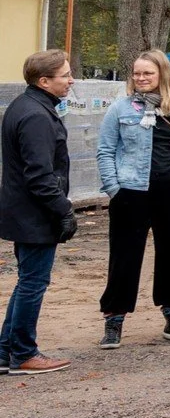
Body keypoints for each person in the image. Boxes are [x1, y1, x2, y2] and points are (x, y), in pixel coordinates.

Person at [96, 50, 170, 348]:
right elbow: (105, 150)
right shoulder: (120, 108)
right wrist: (113, 188)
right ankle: (114, 320)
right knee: (124, 257)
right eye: (137, 73)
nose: (141, 78)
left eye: (148, 73)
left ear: (162, 75)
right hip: (130, 193)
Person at [0, 50, 79, 374]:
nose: (71, 80)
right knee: (33, 283)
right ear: (44, 81)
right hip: (34, 214)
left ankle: (6, 352)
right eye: (65, 75)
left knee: (27, 281)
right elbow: (39, 175)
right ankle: (23, 353)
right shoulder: (35, 115)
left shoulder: (29, 106)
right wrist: (63, 211)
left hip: (26, 212)